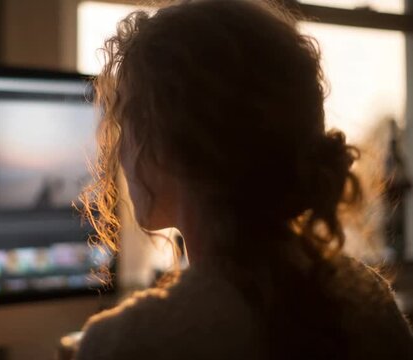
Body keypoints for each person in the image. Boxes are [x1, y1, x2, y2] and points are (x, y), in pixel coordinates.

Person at [75, 1, 413, 359]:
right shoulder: (369, 300)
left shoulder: (130, 344)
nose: (118, 152)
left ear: (170, 144)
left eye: (125, 123)